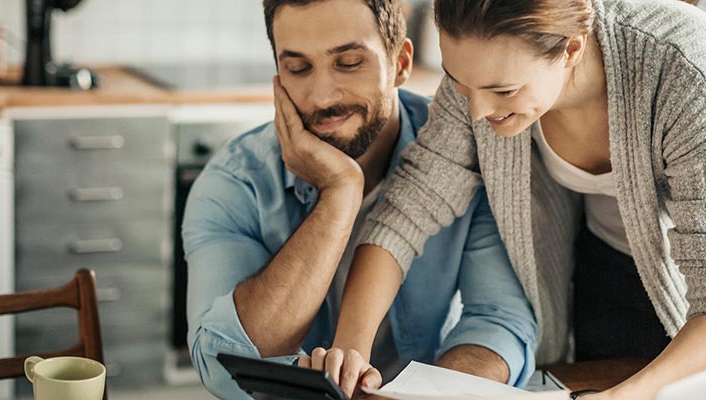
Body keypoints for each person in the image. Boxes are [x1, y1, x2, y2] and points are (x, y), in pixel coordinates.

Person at [327, 0, 706, 398]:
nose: (477, 110)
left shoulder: (682, 67)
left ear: (572, 49)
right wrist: (350, 346)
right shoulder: (480, 75)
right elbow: (409, 207)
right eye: (459, 83)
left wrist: (629, 394)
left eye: (503, 90)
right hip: (607, 262)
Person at [181, 0, 537, 398]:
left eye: (349, 63)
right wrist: (340, 193)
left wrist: (425, 396)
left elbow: (499, 322)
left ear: (400, 63)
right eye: (298, 68)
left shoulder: (466, 155)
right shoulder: (235, 182)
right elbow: (222, 362)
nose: (322, 96)